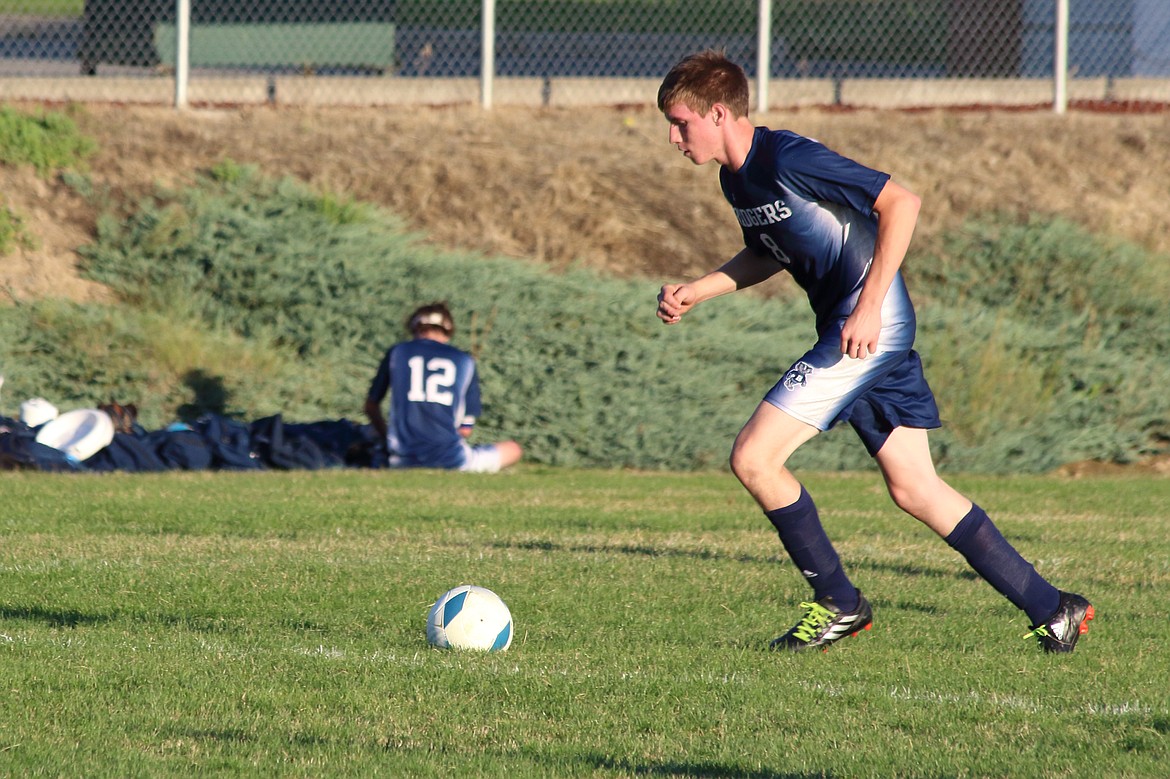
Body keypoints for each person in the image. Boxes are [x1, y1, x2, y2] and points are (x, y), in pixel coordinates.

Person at [654, 50, 1092, 653]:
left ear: (720, 112)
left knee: (754, 459)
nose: (674, 136)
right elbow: (768, 251)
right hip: (860, 326)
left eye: (680, 122)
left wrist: (866, 305)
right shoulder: (736, 178)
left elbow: (901, 203)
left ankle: (838, 601)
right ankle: (1054, 607)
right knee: (915, 488)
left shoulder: (787, 156)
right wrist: (698, 290)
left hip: (867, 326)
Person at [364, 302, 522, 473]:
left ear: (415, 327)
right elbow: (465, 429)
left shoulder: (398, 352)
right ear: (448, 330)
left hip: (401, 459)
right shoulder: (464, 360)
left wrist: (386, 438)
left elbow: (371, 406)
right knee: (513, 449)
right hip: (452, 459)